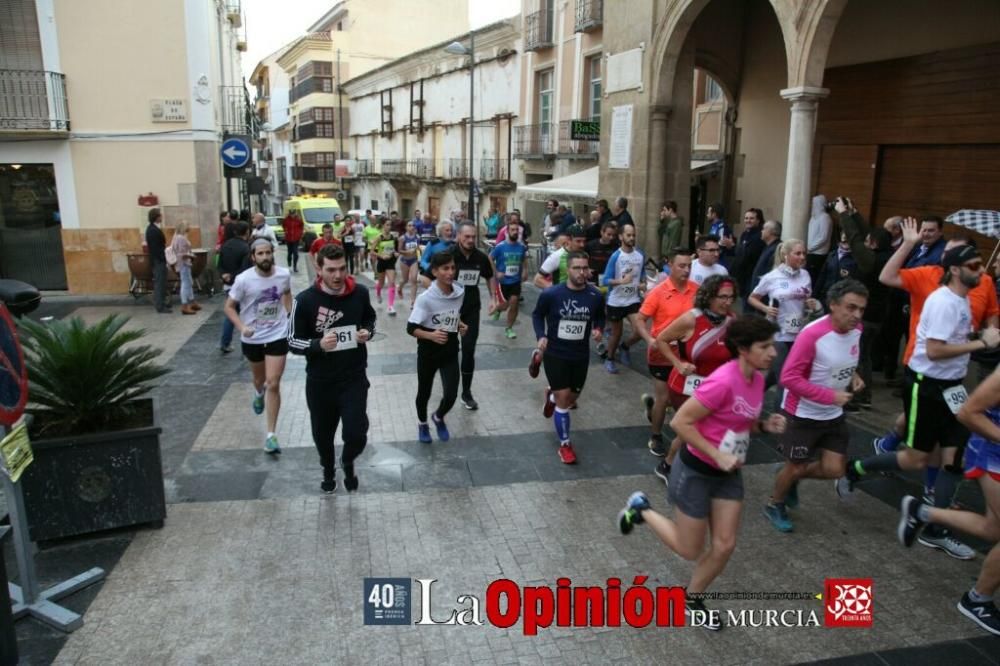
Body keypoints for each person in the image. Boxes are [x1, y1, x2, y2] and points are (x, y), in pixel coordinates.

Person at [617, 315, 786, 629]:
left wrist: (763, 425)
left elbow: (740, 420)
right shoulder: (722, 380)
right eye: (765, 347)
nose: (773, 353)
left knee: (724, 545)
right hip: (696, 470)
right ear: (744, 349)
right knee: (688, 548)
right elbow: (680, 422)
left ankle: (692, 598)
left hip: (728, 473)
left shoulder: (758, 381)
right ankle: (641, 509)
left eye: (772, 346)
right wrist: (714, 453)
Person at [839, 245, 1000, 561]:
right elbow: (936, 351)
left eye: (981, 264)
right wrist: (983, 342)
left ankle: (932, 525)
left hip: (952, 388)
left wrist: (984, 335)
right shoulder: (942, 303)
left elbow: (956, 343)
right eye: (974, 265)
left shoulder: (963, 299)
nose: (982, 270)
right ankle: (855, 469)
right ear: (955, 269)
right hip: (926, 387)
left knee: (953, 460)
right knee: (916, 460)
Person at [897, 365, 1000, 635]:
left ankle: (922, 513)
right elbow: (969, 412)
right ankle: (977, 599)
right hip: (992, 455)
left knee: (993, 529)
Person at [763, 279, 867, 533]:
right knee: (796, 465)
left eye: (861, 309)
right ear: (833, 305)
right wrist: (828, 396)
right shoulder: (812, 334)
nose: (857, 315)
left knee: (834, 469)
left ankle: (791, 477)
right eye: (851, 308)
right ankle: (775, 503)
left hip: (832, 414)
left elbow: (845, 357)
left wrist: (853, 375)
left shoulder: (858, 329)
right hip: (802, 413)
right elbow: (788, 378)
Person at [288, 243, 376, 493]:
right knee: (323, 434)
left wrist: (366, 332)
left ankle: (347, 460)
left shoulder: (359, 293)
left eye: (342, 269)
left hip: (354, 377)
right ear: (319, 269)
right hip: (320, 382)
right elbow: (292, 340)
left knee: (357, 432)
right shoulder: (304, 301)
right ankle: (328, 467)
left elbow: (369, 318)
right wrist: (318, 345)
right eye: (331, 270)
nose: (337, 276)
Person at [652, 275, 737, 483]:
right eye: (722, 297)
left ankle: (688, 464)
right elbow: (661, 340)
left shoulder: (732, 322)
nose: (727, 302)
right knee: (694, 427)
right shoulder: (691, 318)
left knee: (703, 428)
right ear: (708, 297)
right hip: (686, 386)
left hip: (716, 388)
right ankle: (668, 465)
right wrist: (678, 364)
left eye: (731, 297)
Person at [531, 252, 605, 464]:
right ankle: (565, 445)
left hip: (580, 355)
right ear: (567, 270)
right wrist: (541, 336)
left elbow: (600, 315)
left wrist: (599, 328)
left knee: (572, 399)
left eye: (585, 268)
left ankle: (551, 397)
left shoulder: (595, 295)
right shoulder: (552, 294)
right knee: (565, 401)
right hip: (555, 354)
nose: (582, 273)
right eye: (577, 268)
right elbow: (537, 315)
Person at [223, 238, 293, 454]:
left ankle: (271, 435)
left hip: (277, 334)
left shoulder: (283, 275)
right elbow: (229, 307)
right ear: (253, 257)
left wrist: (289, 316)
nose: (264, 257)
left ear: (273, 253)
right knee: (260, 380)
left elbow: (287, 294)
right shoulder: (244, 280)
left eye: (267, 253)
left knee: (273, 382)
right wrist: (242, 327)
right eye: (260, 254)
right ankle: (257, 392)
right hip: (252, 337)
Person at [636, 249, 697, 456]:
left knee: (680, 397)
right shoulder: (658, 292)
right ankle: (656, 436)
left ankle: (654, 410)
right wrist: (649, 339)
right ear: (669, 265)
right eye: (681, 265)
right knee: (664, 397)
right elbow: (640, 319)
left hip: (687, 357)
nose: (686, 270)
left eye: (689, 265)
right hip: (661, 355)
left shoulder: (697, 291)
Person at [408, 251, 469, 443]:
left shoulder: (459, 292)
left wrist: (461, 325)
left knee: (451, 394)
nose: (450, 272)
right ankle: (422, 423)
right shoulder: (425, 298)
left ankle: (438, 416)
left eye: (452, 268)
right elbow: (411, 328)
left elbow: (452, 314)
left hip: (450, 351)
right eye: (445, 269)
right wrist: (431, 335)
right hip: (428, 353)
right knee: (424, 392)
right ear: (435, 272)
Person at [747, 239, 821, 394]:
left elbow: (805, 300)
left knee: (777, 374)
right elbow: (752, 298)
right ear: (786, 255)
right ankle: (781, 415)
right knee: (785, 379)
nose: (802, 257)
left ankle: (754, 393)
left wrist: (811, 304)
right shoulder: (772, 277)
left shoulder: (806, 275)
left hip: (798, 333)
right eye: (797, 253)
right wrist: (766, 308)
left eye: (804, 254)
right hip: (778, 334)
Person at [449, 222, 497, 410]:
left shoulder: (480, 257)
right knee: (449, 350)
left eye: (473, 237)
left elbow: (489, 275)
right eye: (466, 236)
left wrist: (493, 298)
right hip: (450, 310)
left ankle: (466, 393)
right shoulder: (449, 256)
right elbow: (429, 277)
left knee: (468, 349)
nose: (470, 240)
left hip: (470, 309)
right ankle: (449, 386)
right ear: (459, 236)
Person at [601, 222, 645, 374]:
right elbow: (605, 280)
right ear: (621, 237)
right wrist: (621, 281)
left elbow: (642, 275)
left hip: (633, 300)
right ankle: (610, 358)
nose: (632, 238)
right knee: (616, 333)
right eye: (628, 235)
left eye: (633, 235)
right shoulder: (616, 256)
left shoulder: (640, 254)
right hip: (616, 301)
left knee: (641, 331)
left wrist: (643, 284)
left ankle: (625, 346)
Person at [489, 217, 528, 339]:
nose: (515, 232)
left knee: (514, 303)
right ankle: (499, 309)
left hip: (515, 281)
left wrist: (525, 271)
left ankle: (509, 328)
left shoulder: (521, 246)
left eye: (517, 230)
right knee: (505, 305)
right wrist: (496, 272)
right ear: (507, 232)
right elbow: (489, 258)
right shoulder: (500, 246)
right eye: (512, 230)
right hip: (502, 282)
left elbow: (524, 259)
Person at [218, 221, 251, 353]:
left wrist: (223, 275)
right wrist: (232, 276)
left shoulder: (225, 245)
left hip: (228, 284)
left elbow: (219, 264)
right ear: (247, 232)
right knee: (242, 313)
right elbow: (245, 269)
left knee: (231, 312)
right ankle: (246, 340)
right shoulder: (245, 248)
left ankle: (226, 342)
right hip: (240, 284)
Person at [730, 208, 765, 297]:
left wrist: (733, 246)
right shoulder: (744, 234)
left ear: (758, 220)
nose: (748, 221)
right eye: (746, 218)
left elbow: (749, 255)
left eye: (751, 218)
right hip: (741, 278)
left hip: (751, 277)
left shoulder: (760, 236)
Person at [170, 221, 198, 315]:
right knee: (186, 283)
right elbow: (182, 253)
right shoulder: (181, 238)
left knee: (188, 282)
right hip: (184, 263)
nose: (189, 227)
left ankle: (192, 302)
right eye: (188, 225)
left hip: (182, 263)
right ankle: (185, 305)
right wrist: (191, 256)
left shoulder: (177, 237)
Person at [145, 208, 170, 313]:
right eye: (160, 215)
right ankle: (160, 306)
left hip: (158, 259)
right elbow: (156, 248)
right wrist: (163, 259)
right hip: (158, 260)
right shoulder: (153, 230)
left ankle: (162, 303)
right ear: (156, 217)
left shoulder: (153, 228)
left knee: (162, 282)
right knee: (159, 283)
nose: (162, 217)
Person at [749, 220, 782, 297]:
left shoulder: (777, 248)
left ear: (771, 232)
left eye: (764, 228)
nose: (761, 231)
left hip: (766, 296)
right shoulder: (768, 247)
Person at [806, 195, 834, 285]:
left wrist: (811, 247)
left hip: (818, 254)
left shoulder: (825, 218)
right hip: (811, 252)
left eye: (815, 204)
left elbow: (823, 237)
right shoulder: (813, 218)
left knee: (814, 277)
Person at [373, 219, 398, 314]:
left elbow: (394, 249)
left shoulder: (393, 237)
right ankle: (378, 292)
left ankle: (390, 306)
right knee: (381, 283)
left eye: (390, 225)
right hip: (382, 262)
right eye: (387, 225)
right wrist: (381, 255)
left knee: (391, 282)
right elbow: (372, 251)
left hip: (390, 262)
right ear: (383, 226)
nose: (389, 227)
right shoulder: (379, 237)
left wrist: (395, 253)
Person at [586, 221, 619, 286]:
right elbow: (583, 259)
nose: (611, 237)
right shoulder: (590, 245)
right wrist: (587, 269)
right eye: (609, 234)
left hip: (609, 279)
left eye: (613, 235)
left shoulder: (616, 248)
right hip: (593, 279)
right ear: (602, 232)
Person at [397, 220, 421, 308]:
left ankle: (413, 302)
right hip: (404, 261)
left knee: (414, 280)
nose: (411, 227)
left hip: (414, 260)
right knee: (405, 280)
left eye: (413, 226)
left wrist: (420, 259)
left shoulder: (417, 237)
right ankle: (399, 288)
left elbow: (418, 249)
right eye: (409, 225)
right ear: (406, 227)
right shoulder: (402, 238)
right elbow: (399, 250)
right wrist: (407, 252)